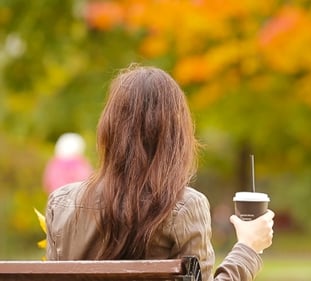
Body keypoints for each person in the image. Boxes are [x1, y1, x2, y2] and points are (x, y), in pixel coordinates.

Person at [44, 64, 275, 281]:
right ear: (175, 136)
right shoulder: (184, 207)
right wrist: (248, 248)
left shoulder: (60, 203)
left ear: (109, 129)